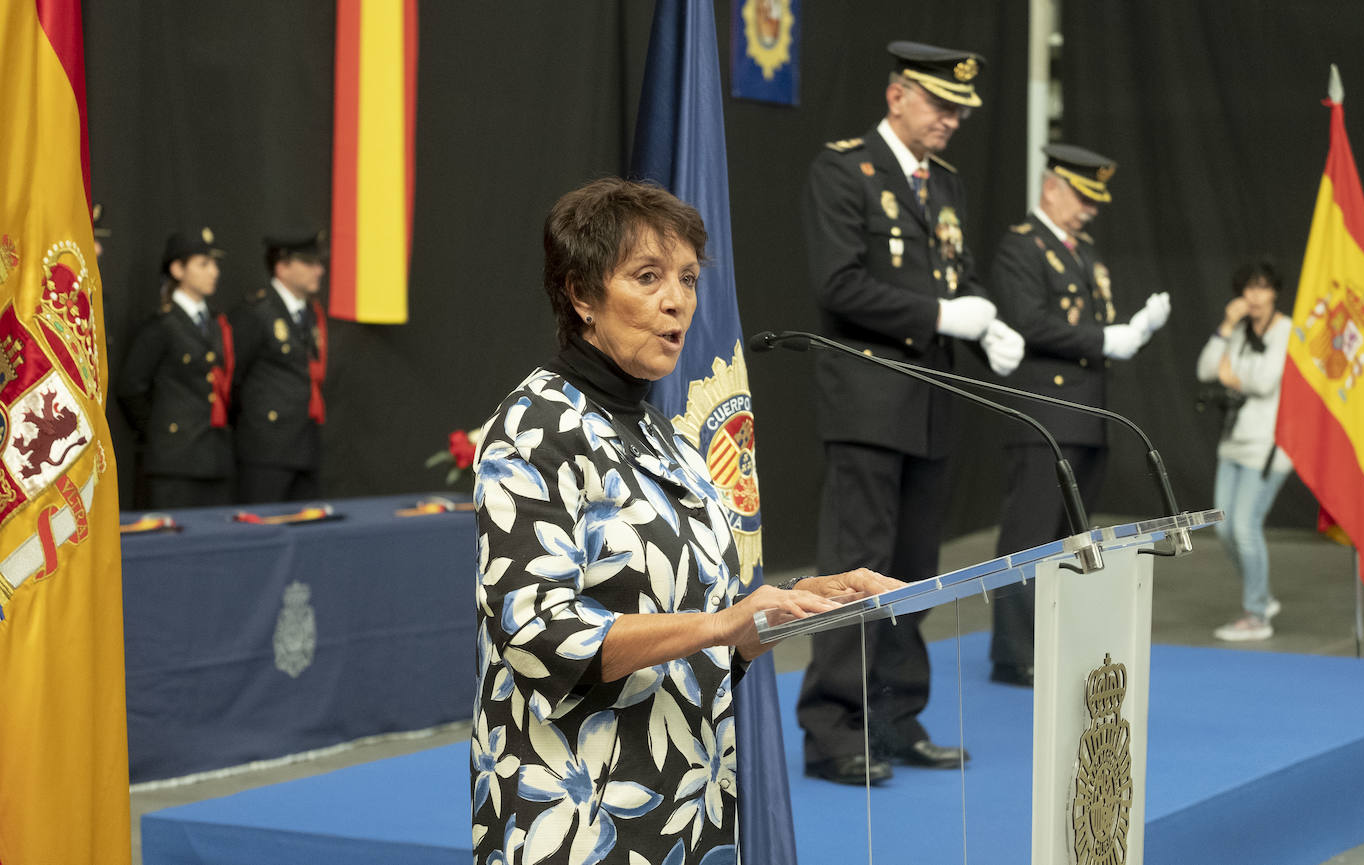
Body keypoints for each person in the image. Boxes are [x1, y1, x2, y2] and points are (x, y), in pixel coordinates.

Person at [471, 178, 901, 865]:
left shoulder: (664, 437)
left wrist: (790, 608)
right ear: (582, 293)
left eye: (689, 279)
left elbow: (701, 624)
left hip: (685, 802)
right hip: (577, 812)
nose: (678, 301)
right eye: (648, 277)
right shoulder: (535, 426)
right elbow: (537, 633)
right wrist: (717, 624)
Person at [795, 40, 1025, 786]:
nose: (952, 120)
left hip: (932, 401)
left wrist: (987, 318)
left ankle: (895, 716)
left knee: (917, 568)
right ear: (898, 96)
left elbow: (962, 276)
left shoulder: (944, 185)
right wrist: (942, 314)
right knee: (854, 568)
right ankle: (832, 728)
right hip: (868, 399)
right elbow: (839, 284)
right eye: (941, 104)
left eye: (960, 110)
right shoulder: (844, 168)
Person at [984, 144, 1170, 686]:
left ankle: (1057, 637)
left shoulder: (1082, 251)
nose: (1090, 209)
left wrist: (1131, 329)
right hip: (1045, 411)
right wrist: (1106, 338)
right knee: (1030, 535)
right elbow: (1030, 322)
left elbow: (1094, 321)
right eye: (1082, 197)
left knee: (1074, 537)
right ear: (1051, 188)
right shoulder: (1022, 248)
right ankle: (1014, 652)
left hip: (1087, 411)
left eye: (1095, 200)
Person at [1196, 260, 1292, 641]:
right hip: (1233, 442)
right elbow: (1206, 369)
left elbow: (1266, 382)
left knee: (1245, 527)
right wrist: (1224, 327)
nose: (1254, 296)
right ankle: (1263, 596)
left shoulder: (1286, 330)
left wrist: (1233, 375)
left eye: (1262, 287)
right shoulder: (1236, 331)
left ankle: (1257, 615)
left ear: (1274, 292)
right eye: (1248, 288)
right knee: (1223, 527)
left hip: (1268, 446)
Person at [117, 228, 236, 508]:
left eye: (215, 264)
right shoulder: (163, 325)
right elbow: (131, 387)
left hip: (215, 457)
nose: (214, 272)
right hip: (174, 460)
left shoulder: (217, 323)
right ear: (177, 269)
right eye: (203, 264)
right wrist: (161, 431)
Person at [230, 232, 328, 503]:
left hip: (305, 445)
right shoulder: (257, 311)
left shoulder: (310, 314)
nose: (319, 270)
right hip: (265, 449)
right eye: (309, 263)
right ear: (282, 267)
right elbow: (233, 377)